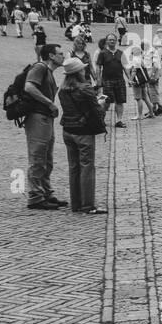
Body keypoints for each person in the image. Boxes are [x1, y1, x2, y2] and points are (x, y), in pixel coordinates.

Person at [57, 57, 108, 214]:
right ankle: (88, 205)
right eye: (83, 68)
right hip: (83, 131)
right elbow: (97, 111)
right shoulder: (85, 88)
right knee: (87, 167)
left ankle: (76, 204)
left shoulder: (63, 89)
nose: (85, 70)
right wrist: (102, 103)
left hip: (68, 130)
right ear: (78, 71)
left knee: (74, 168)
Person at [20, 44, 66, 210]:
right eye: (60, 53)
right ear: (51, 56)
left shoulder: (49, 72)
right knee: (38, 157)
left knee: (47, 158)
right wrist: (49, 103)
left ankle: (46, 192)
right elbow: (29, 87)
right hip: (37, 117)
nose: (63, 56)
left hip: (45, 118)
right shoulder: (40, 67)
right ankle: (35, 196)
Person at [95, 36, 128, 128]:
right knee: (105, 101)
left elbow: (125, 67)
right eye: (110, 40)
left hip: (120, 80)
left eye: (113, 40)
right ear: (107, 41)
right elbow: (98, 67)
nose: (112, 41)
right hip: (107, 80)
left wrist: (129, 78)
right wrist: (98, 79)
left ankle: (119, 120)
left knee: (120, 101)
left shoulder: (121, 53)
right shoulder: (102, 53)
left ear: (116, 41)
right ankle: (100, 118)